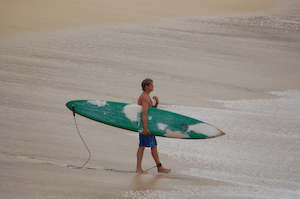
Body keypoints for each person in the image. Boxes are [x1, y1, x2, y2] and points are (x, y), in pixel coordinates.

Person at [136, 78, 171, 173]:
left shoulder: (147, 96)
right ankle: (159, 167)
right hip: (146, 125)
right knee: (153, 145)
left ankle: (138, 168)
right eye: (151, 85)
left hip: (143, 125)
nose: (153, 86)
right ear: (146, 87)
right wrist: (146, 128)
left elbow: (150, 111)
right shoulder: (145, 97)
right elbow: (144, 113)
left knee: (142, 145)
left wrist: (157, 103)